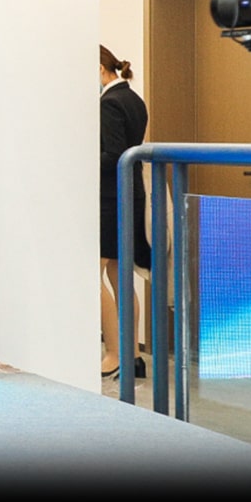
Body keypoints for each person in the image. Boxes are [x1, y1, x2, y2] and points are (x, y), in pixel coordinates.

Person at [100, 44, 151, 380]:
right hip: (129, 195)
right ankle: (132, 356)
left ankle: (114, 353)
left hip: (109, 198)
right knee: (120, 274)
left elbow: (113, 154)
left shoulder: (109, 102)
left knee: (90, 275)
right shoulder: (133, 99)